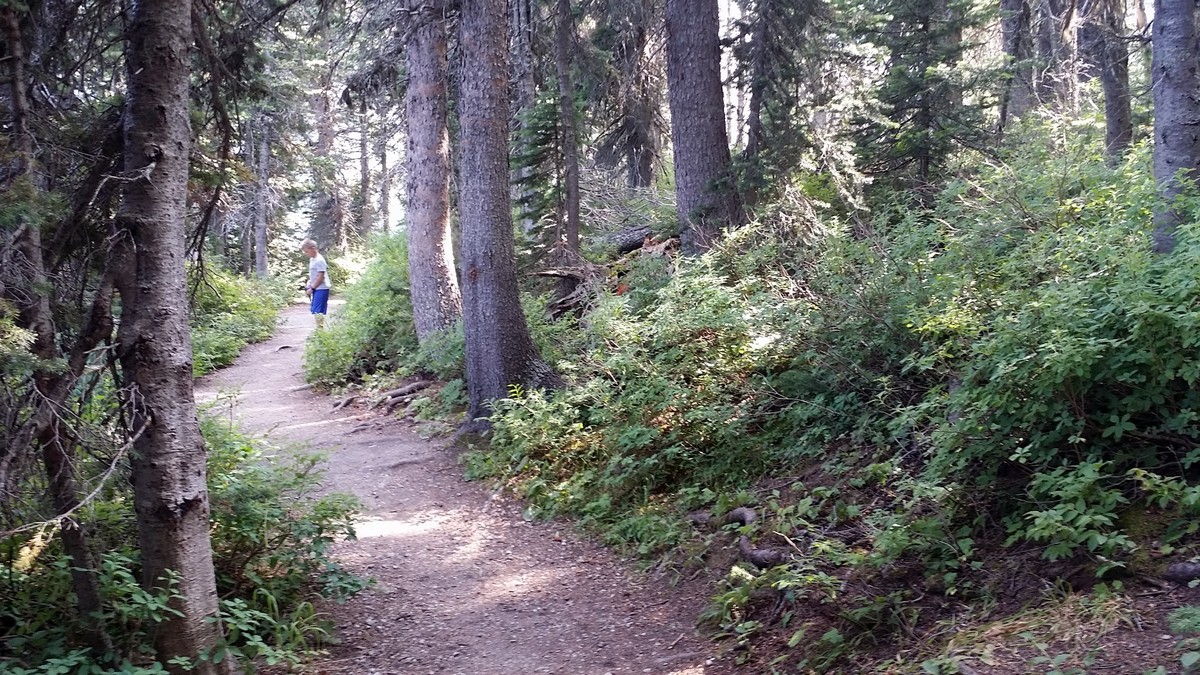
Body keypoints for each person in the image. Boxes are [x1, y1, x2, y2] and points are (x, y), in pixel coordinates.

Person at [301, 239, 330, 328]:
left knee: (318, 311)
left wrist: (312, 288)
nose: (306, 254)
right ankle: (319, 331)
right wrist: (309, 283)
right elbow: (314, 274)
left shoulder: (320, 260)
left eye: (307, 251)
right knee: (315, 310)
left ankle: (320, 331)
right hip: (316, 288)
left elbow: (321, 277)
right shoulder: (312, 259)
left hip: (321, 288)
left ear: (313, 248)